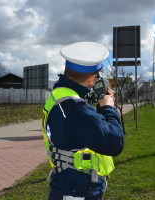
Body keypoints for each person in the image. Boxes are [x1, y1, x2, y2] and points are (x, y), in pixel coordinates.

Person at [42, 42, 124, 200]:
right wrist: (108, 108)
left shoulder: (59, 96)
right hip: (78, 190)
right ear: (93, 77)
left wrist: (100, 108)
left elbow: (89, 128)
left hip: (68, 185)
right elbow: (114, 143)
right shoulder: (76, 108)